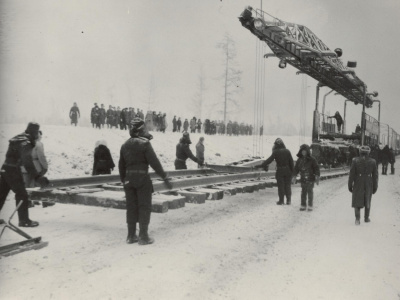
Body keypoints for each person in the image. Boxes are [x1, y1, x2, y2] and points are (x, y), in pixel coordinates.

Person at [119, 118, 172, 245]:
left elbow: (121, 166)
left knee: (131, 207)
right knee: (144, 207)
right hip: (142, 180)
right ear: (141, 129)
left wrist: (124, 181)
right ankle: (143, 236)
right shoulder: (145, 144)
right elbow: (155, 163)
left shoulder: (124, 145)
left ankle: (131, 236)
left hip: (129, 181)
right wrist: (164, 177)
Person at [0, 122, 49, 227]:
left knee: (1, 194)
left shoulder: (18, 138)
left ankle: (24, 220)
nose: (37, 135)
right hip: (12, 170)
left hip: (5, 168)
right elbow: (27, 161)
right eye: (37, 132)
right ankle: (24, 221)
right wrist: (37, 177)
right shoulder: (26, 142)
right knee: (22, 194)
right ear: (35, 132)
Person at [257, 138, 294, 205]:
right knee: (288, 186)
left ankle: (281, 201)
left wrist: (262, 165)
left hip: (280, 171)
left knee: (281, 186)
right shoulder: (287, 151)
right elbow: (291, 162)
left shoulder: (276, 152)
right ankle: (288, 201)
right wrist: (293, 172)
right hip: (288, 170)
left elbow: (269, 160)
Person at [348, 145, 378, 225]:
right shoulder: (373, 161)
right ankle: (366, 218)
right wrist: (375, 186)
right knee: (367, 198)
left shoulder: (355, 160)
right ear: (369, 152)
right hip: (368, 181)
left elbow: (351, 175)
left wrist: (350, 185)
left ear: (360, 152)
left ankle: (357, 219)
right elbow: (375, 176)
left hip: (358, 181)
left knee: (357, 199)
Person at [292, 144, 320, 211]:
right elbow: (296, 169)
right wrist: (294, 176)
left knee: (310, 192)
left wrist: (317, 176)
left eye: (304, 151)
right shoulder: (299, 160)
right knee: (303, 192)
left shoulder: (312, 159)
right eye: (302, 151)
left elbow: (316, 168)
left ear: (307, 151)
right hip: (303, 178)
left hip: (310, 178)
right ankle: (303, 205)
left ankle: (310, 205)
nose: (303, 152)